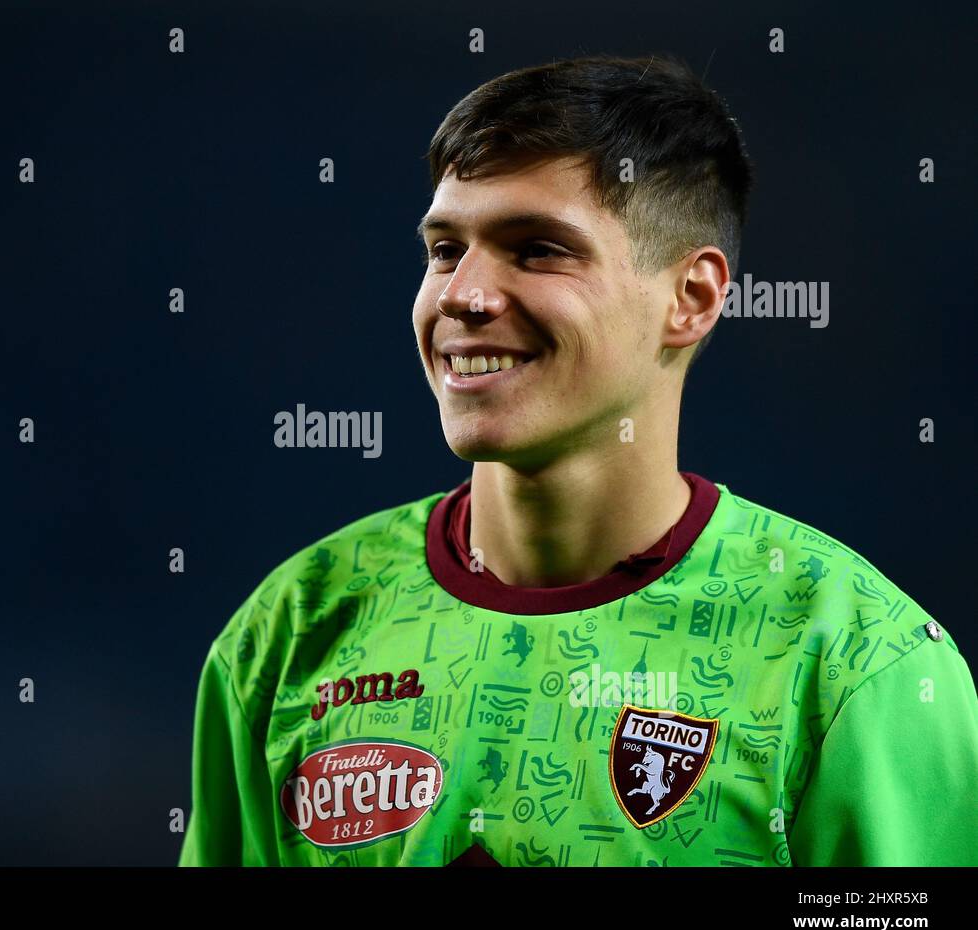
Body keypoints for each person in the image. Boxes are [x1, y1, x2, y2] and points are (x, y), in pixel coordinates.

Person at [179, 54, 978, 866]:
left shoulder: (855, 663)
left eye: (537, 250)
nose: (463, 294)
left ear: (691, 299)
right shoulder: (288, 635)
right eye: (446, 248)